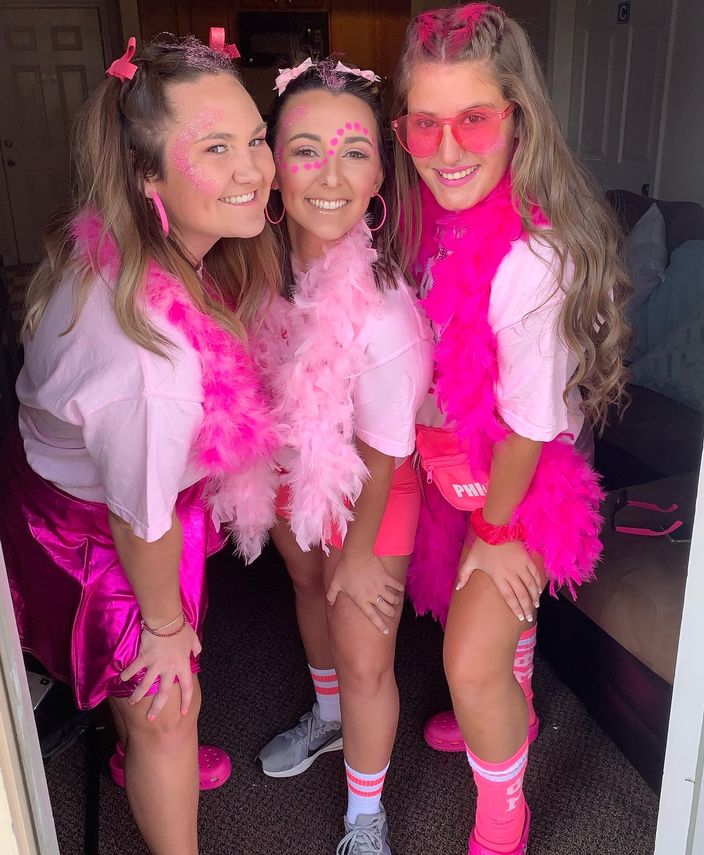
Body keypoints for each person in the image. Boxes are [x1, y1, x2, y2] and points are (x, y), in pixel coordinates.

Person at [0, 32, 280, 855]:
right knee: (169, 702)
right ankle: (157, 769)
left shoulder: (135, 250)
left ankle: (137, 743)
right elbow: (140, 519)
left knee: (155, 690)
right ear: (146, 178)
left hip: (84, 484)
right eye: (215, 149)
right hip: (98, 530)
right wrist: (162, 628)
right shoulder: (150, 357)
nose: (254, 169)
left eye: (255, 138)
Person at [390, 4, 630, 854]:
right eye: (426, 124)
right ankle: (508, 705)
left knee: (467, 655)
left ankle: (503, 817)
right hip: (452, 461)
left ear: (516, 119)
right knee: (491, 645)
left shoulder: (534, 259)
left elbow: (529, 426)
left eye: (474, 119)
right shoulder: (423, 222)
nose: (448, 149)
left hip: (519, 482)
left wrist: (494, 532)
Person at [251, 58, 433, 854]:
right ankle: (326, 718)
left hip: (373, 484)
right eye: (305, 149)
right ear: (271, 164)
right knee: (307, 588)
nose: (329, 174)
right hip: (287, 469)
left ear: (379, 176)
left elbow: (387, 448)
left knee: (362, 643)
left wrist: (359, 552)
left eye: (353, 151)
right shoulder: (249, 268)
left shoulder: (388, 314)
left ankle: (365, 815)